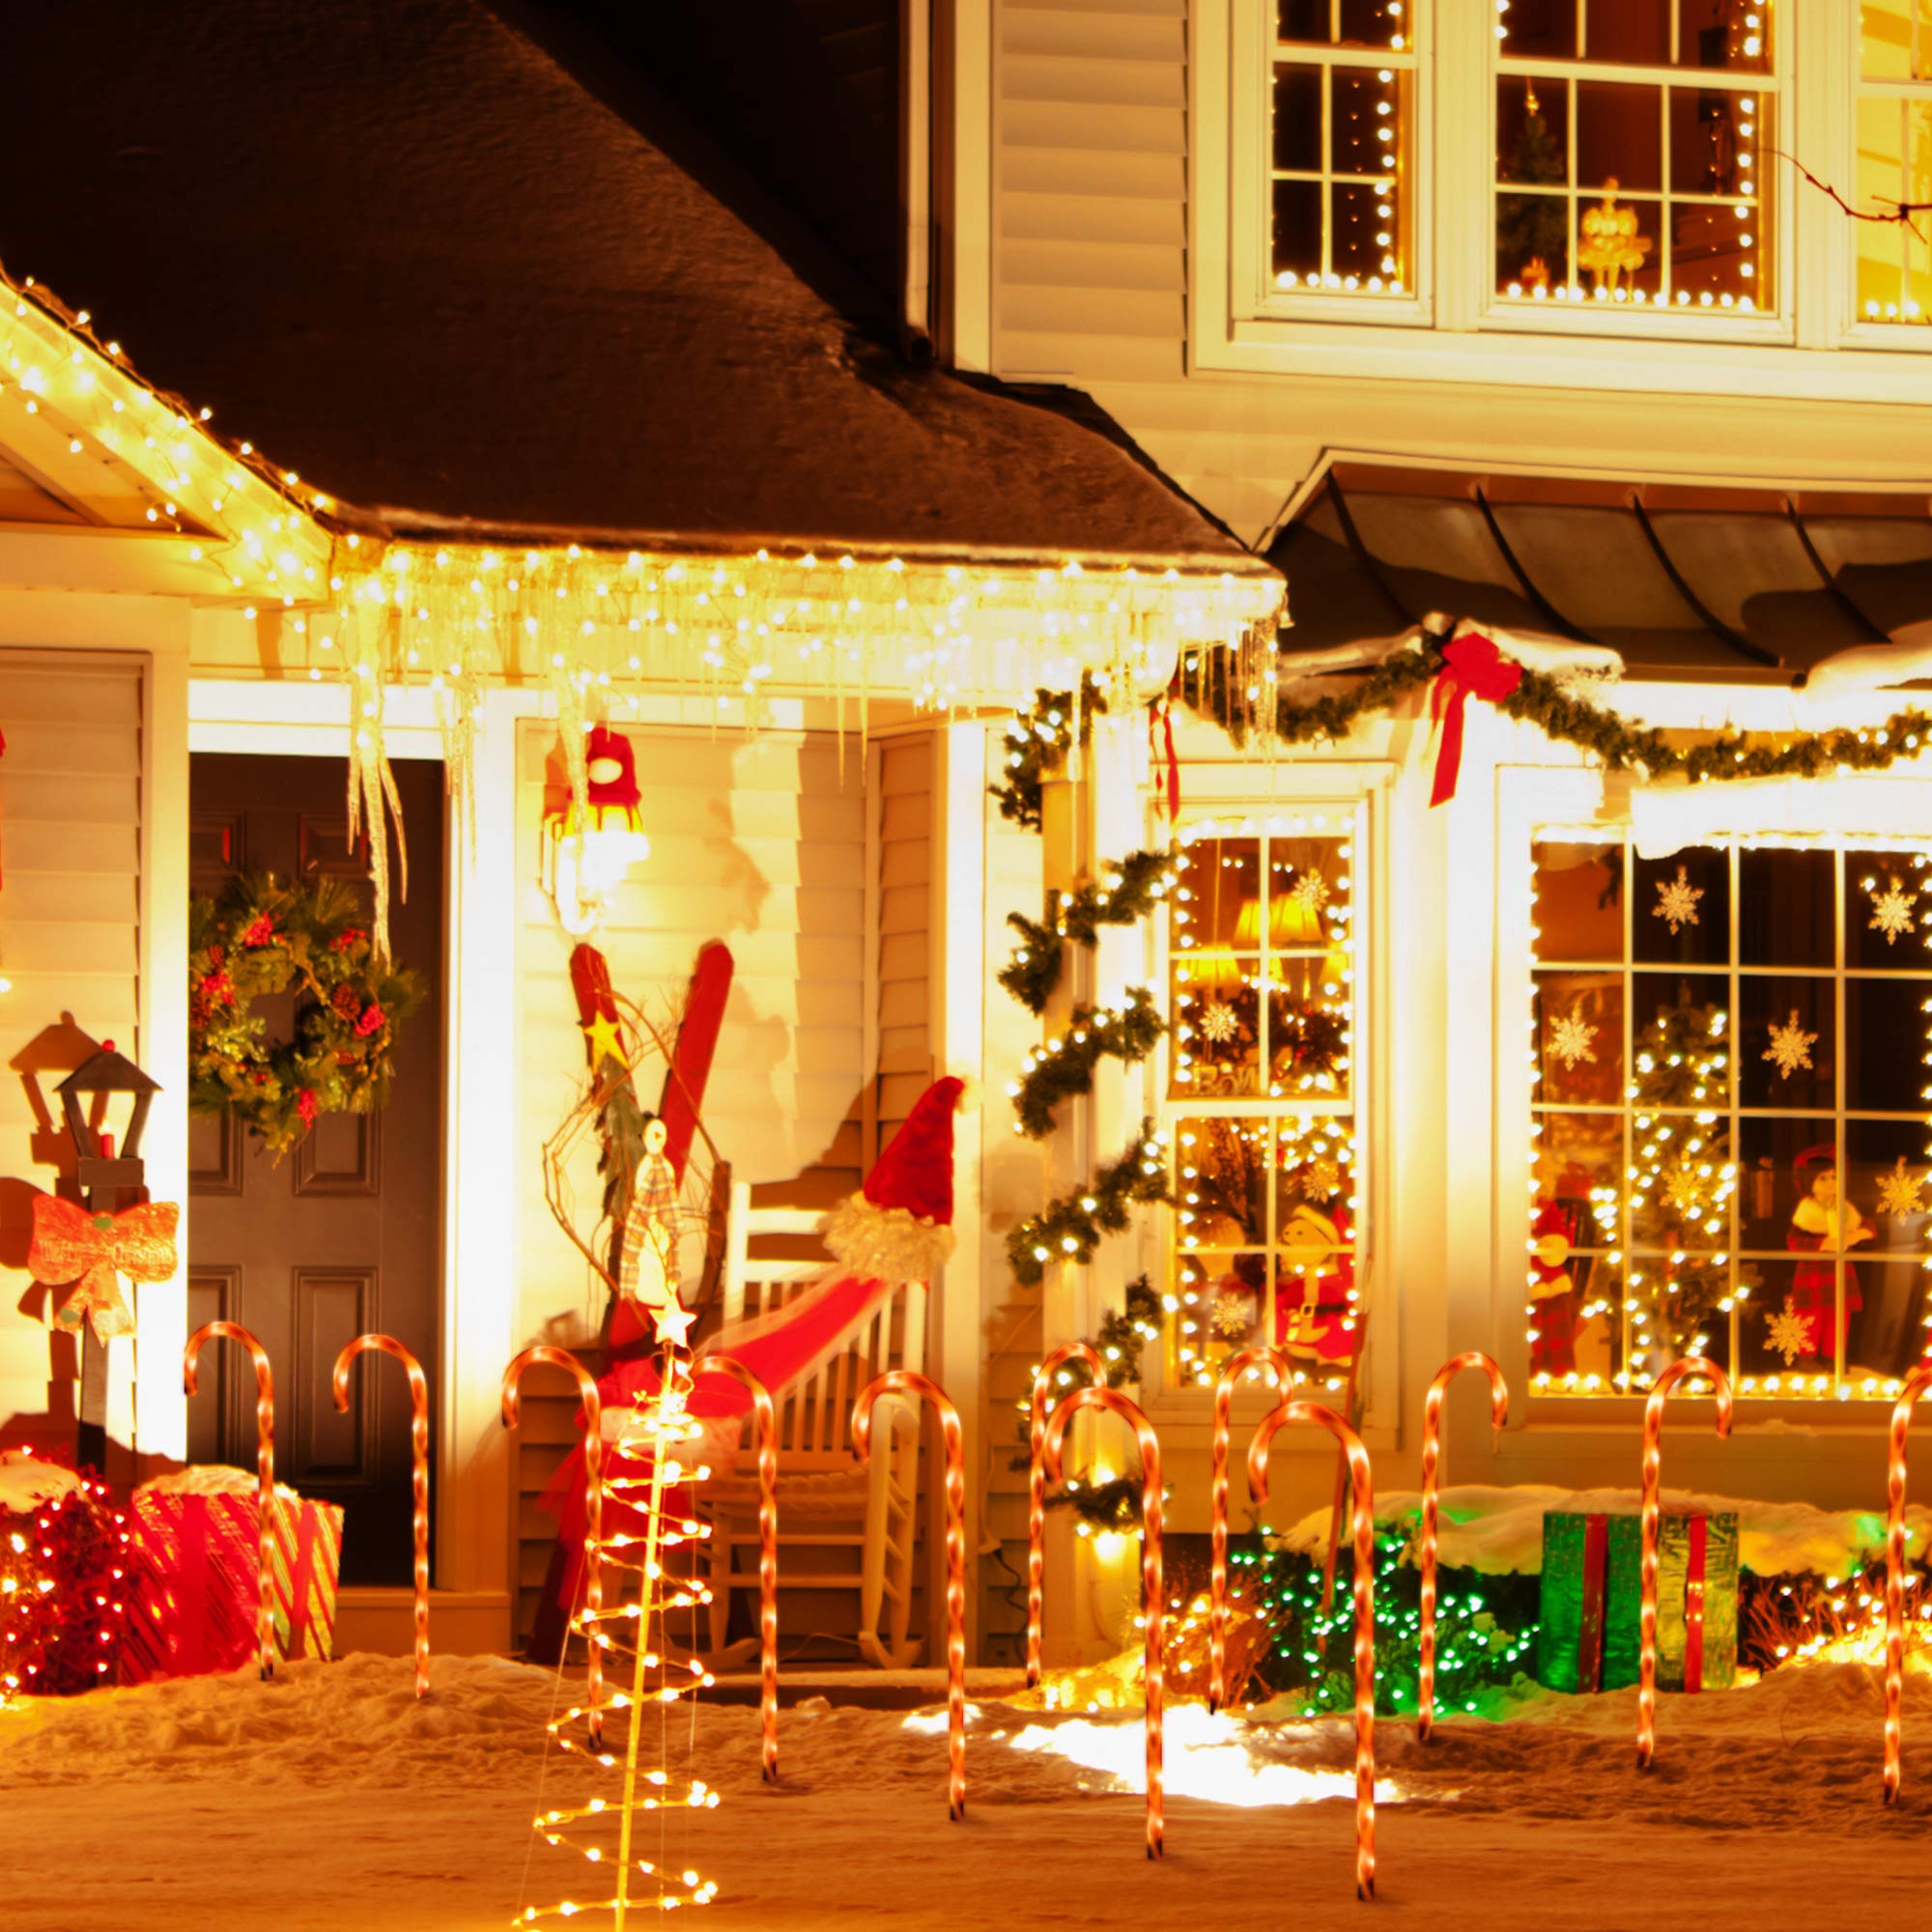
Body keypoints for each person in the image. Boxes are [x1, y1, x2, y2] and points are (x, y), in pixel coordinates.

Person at [1786, 1145, 1871, 1362]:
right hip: (1813, 1272)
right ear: (1809, 1183)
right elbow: (1794, 1242)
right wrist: (1823, 1243)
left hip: (1840, 1271)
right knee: (1810, 1316)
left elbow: (1867, 1225)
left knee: (1839, 1316)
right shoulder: (1806, 1213)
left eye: (1834, 1177)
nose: (1831, 1183)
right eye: (1823, 1178)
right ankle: (1806, 1358)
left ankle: (1834, 1359)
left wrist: (1861, 1233)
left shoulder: (1845, 1209)